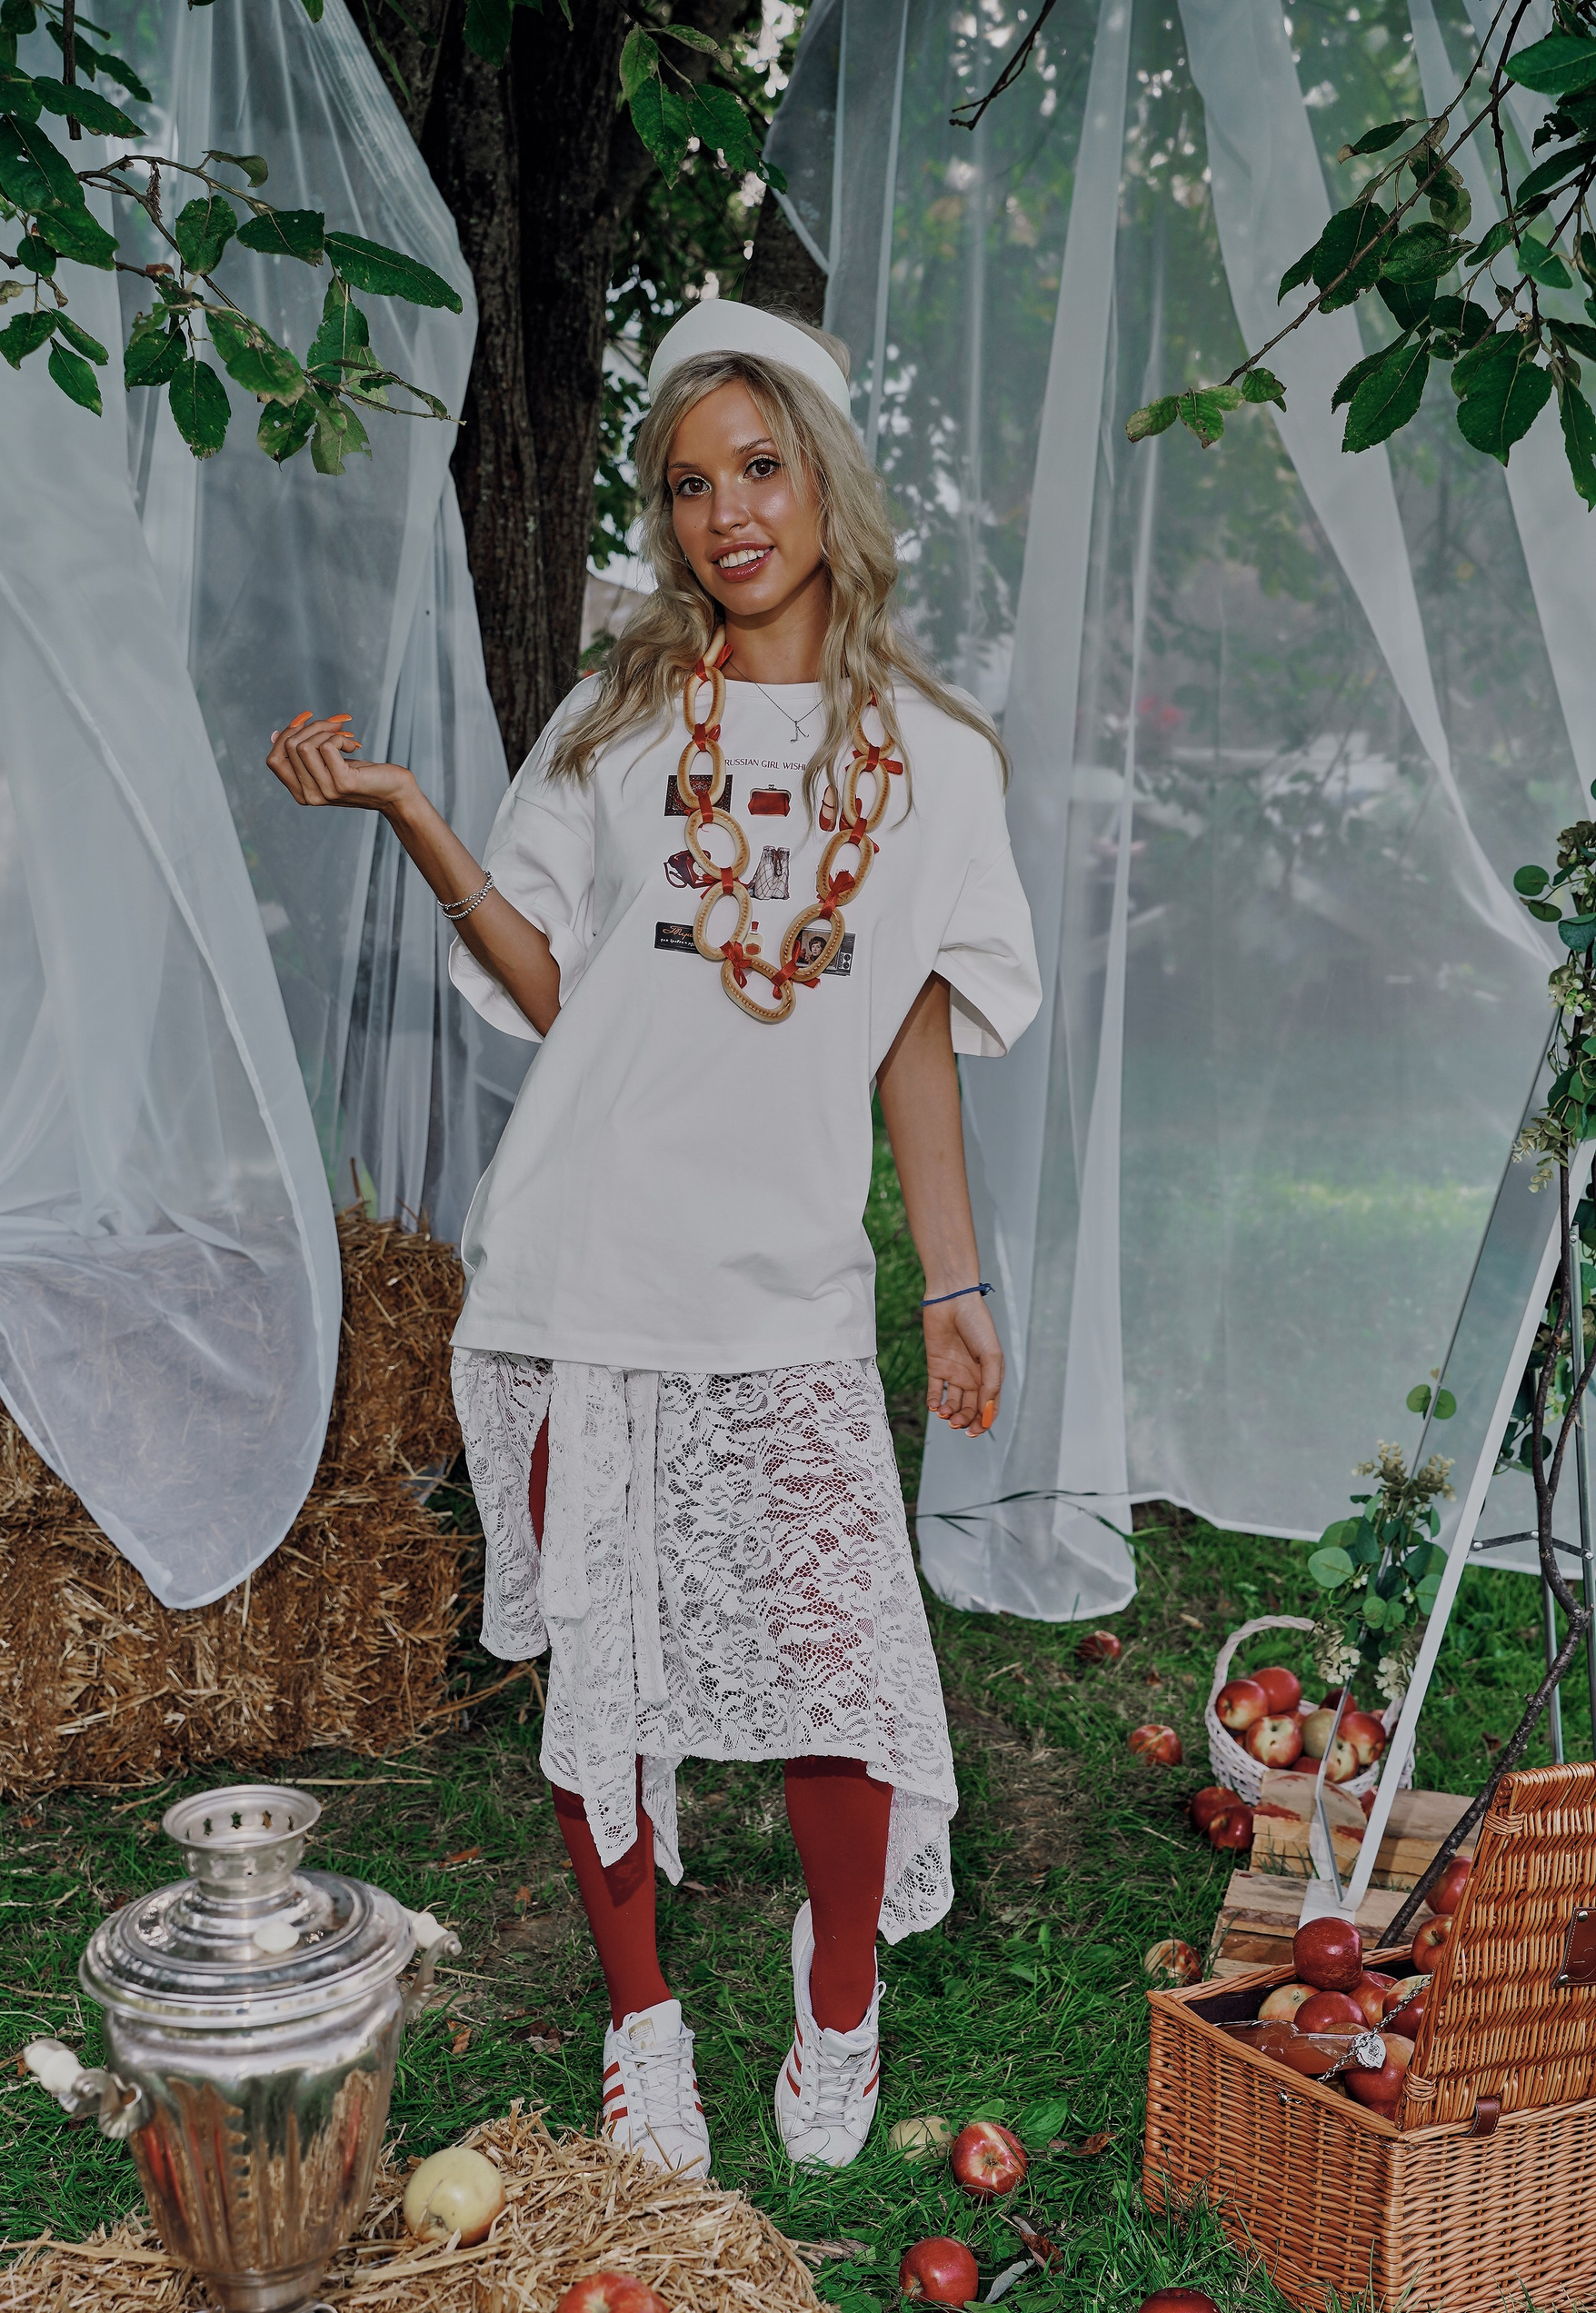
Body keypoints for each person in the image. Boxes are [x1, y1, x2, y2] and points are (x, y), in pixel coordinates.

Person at [267, 301, 1039, 2178]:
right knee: (602, 1678)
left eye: (760, 469)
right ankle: (646, 2030)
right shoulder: (619, 723)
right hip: (580, 1263)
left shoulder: (938, 760)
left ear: (828, 483)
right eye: (691, 484)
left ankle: (839, 1995)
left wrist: (952, 1282)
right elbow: (558, 988)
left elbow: (910, 1035)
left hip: (777, 1284)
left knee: (840, 1668)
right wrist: (413, 813)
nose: (727, 513)